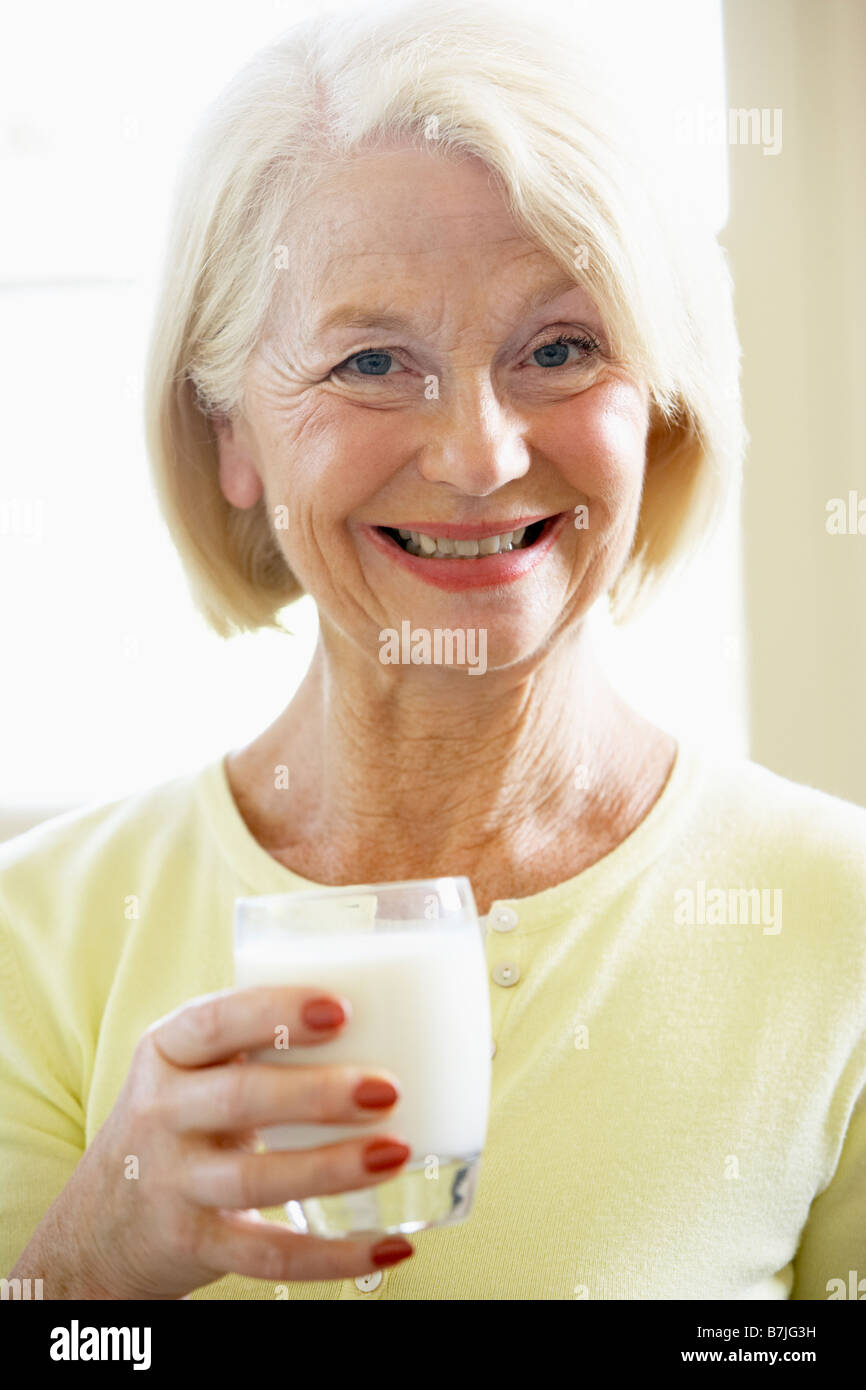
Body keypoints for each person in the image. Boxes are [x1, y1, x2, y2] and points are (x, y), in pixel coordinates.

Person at [2, 0, 864, 1300]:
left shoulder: (838, 921)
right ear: (231, 431)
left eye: (559, 349)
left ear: (658, 401)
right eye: (370, 361)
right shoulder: (35, 940)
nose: (478, 455)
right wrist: (80, 1279)